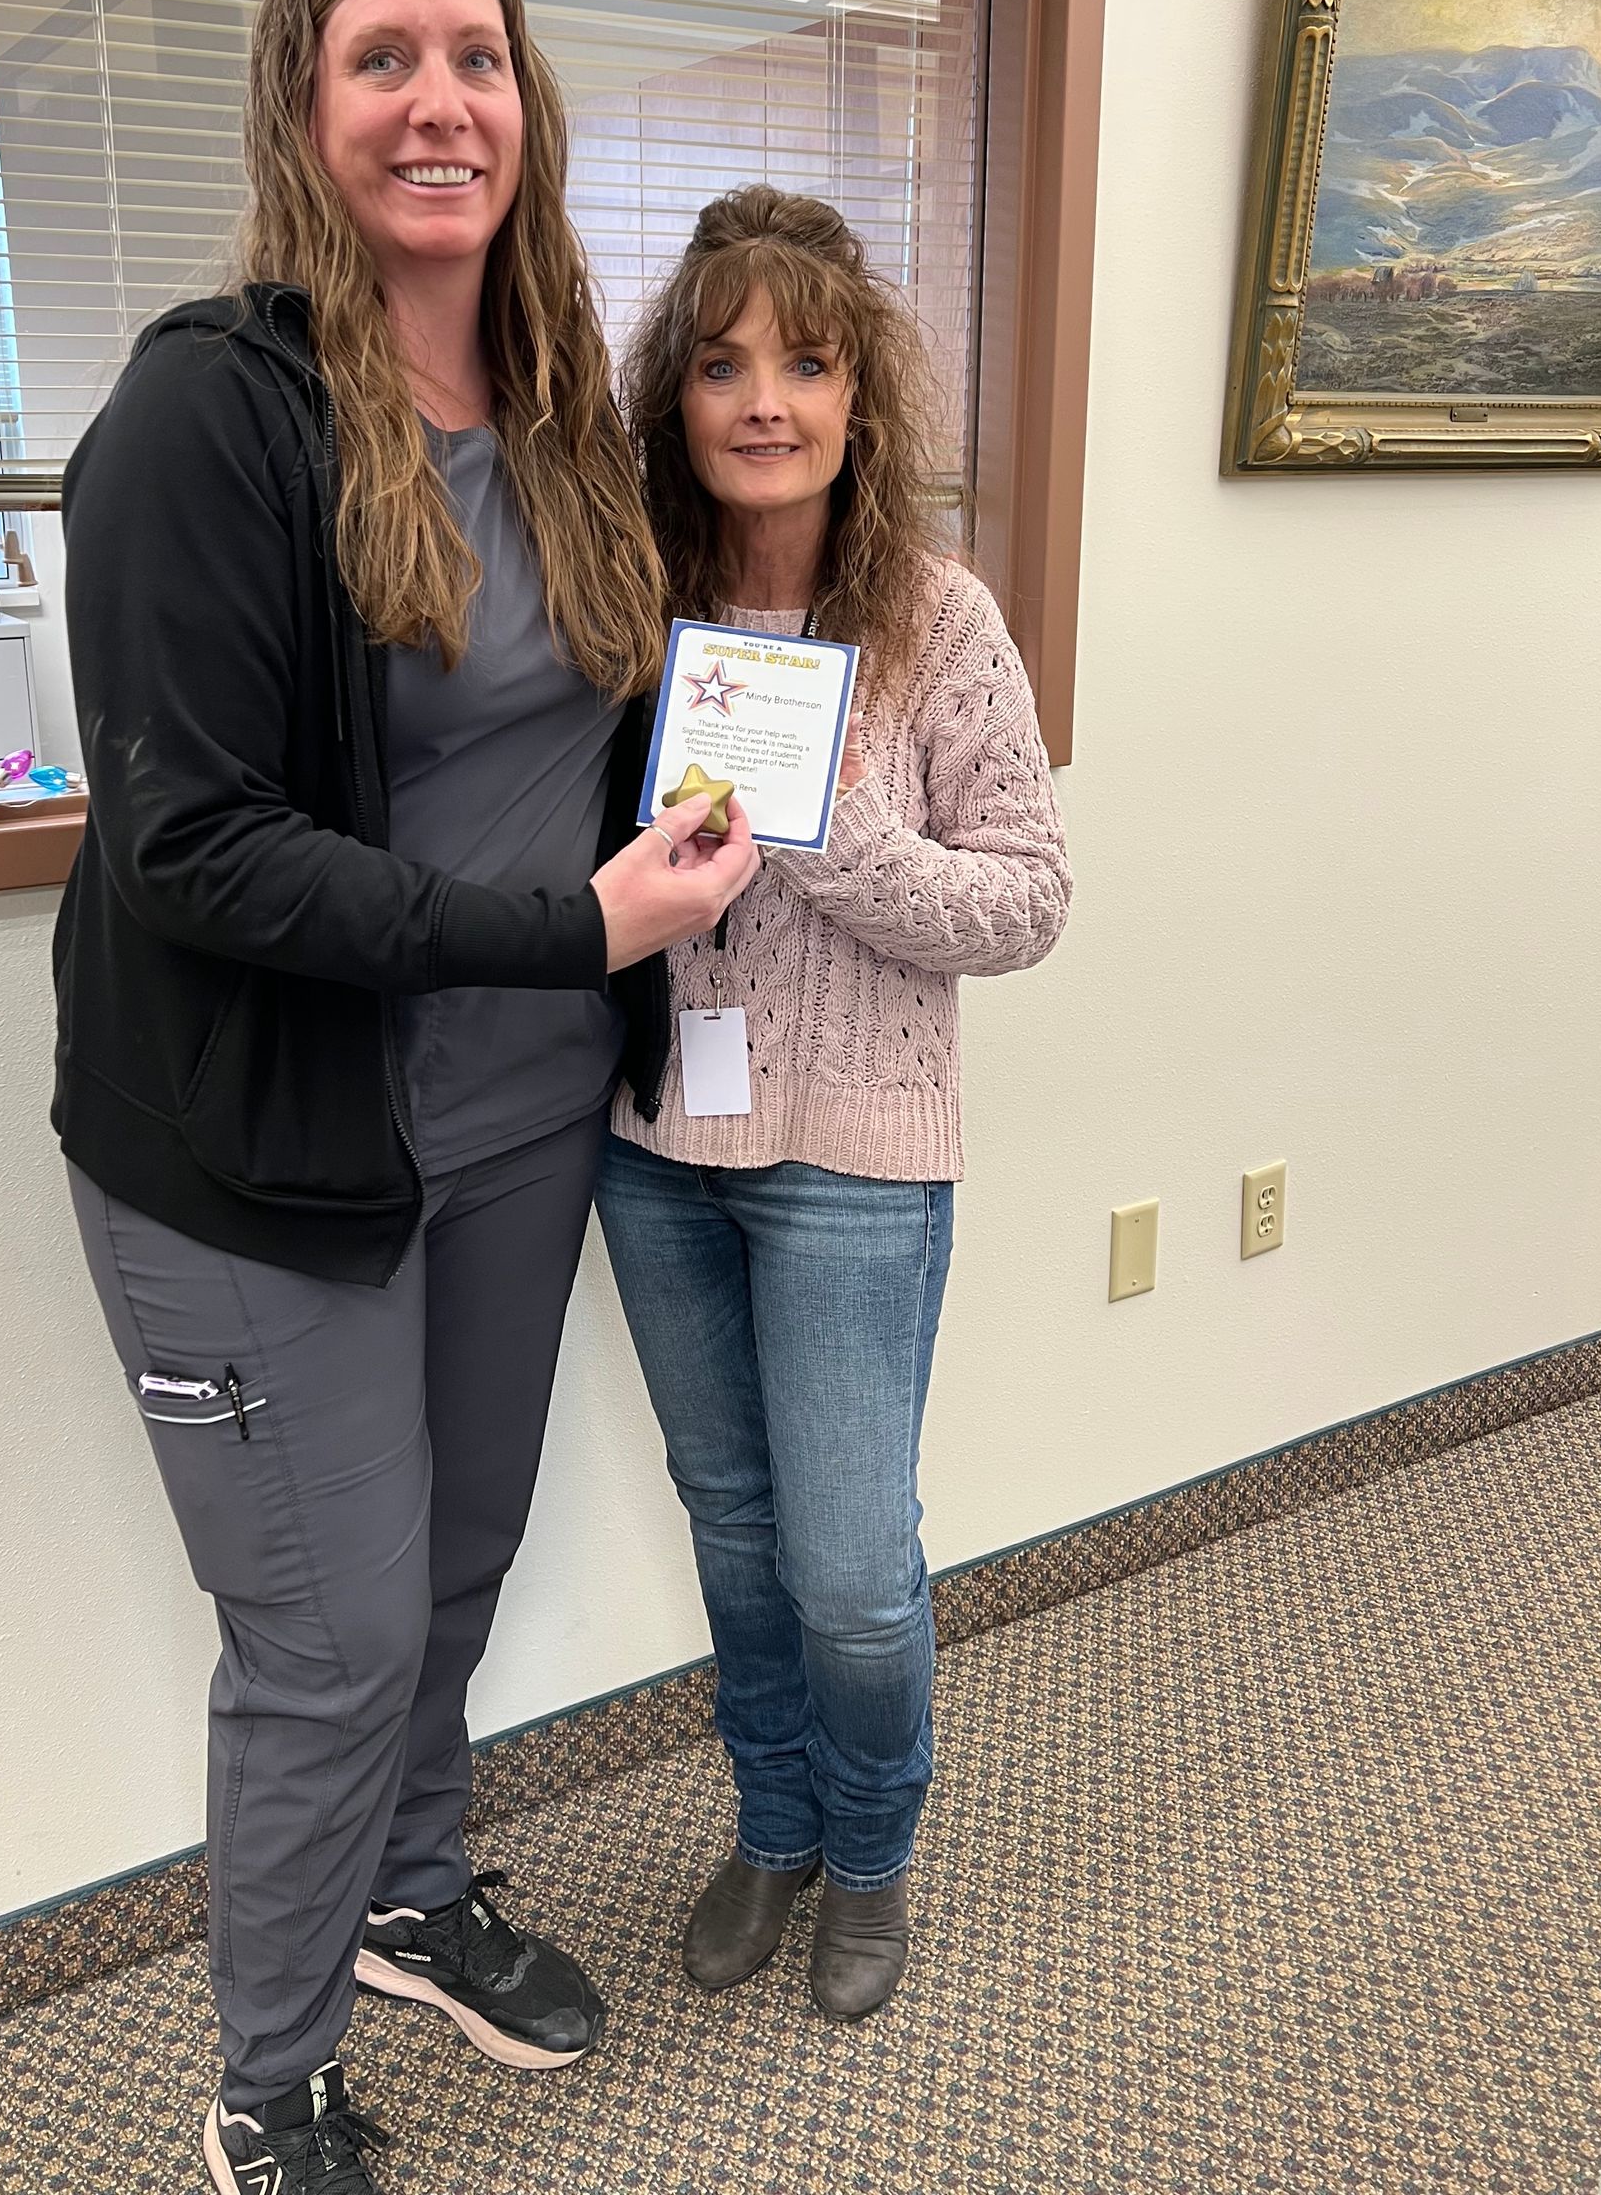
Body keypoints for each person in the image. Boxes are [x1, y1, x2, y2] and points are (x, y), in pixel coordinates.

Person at [53, 0, 757, 2195]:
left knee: (454, 1555)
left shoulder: (568, 414)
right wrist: (568, 922)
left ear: (527, 110)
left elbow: (631, 707)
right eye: (385, 57)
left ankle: (408, 1888)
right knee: (333, 1634)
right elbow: (196, 847)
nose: (440, 98)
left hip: (525, 1112)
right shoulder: (205, 412)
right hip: (262, 1142)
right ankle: (267, 2081)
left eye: (477, 55)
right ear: (306, 100)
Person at [597, 186, 1072, 2024]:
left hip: (859, 1167)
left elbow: (1030, 899)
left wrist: (845, 848)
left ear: (862, 396)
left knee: (852, 1568)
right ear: (678, 399)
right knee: (731, 1529)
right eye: (722, 365)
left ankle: (872, 1849)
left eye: (805, 361)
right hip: (657, 1153)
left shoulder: (938, 623)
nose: (765, 399)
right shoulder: (635, 602)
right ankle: (774, 1823)